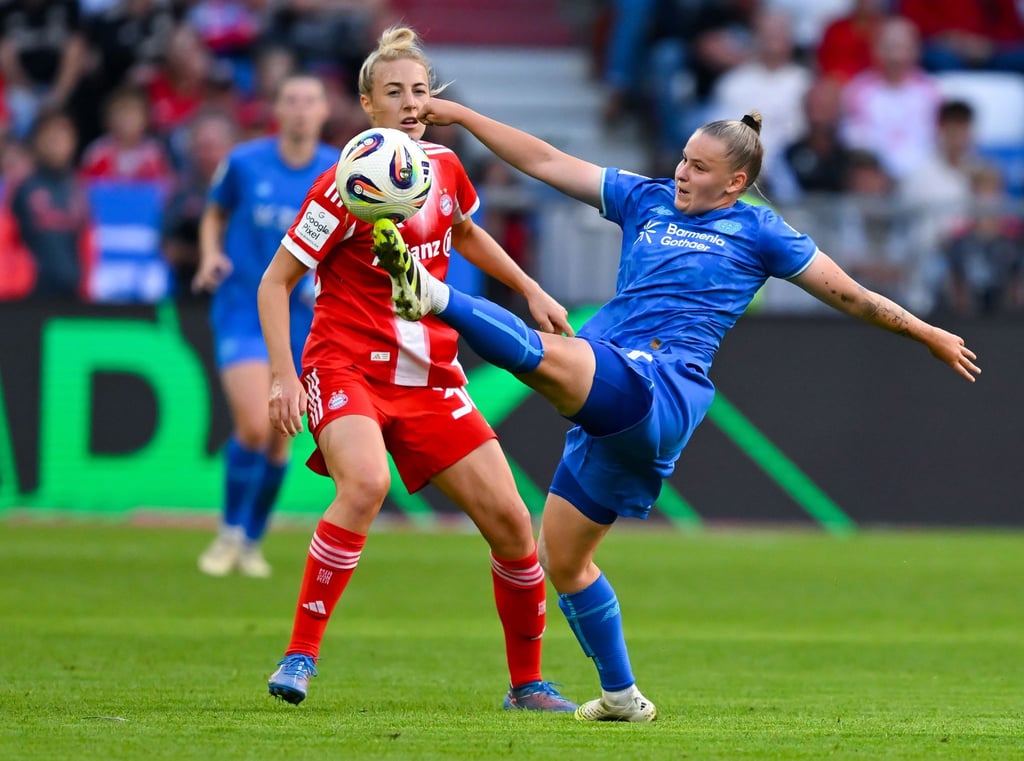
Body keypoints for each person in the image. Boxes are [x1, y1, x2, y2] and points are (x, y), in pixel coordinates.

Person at [367, 97, 982, 722]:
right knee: (563, 558)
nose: (683, 173)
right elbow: (548, 161)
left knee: (549, 358)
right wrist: (466, 117)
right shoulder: (647, 199)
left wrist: (926, 332)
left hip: (661, 385)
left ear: (735, 182)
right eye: (683, 160)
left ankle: (430, 294)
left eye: (699, 167)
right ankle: (621, 697)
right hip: (612, 395)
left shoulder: (761, 231)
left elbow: (851, 296)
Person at [257, 26, 577, 712]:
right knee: (366, 482)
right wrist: (284, 377)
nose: (410, 102)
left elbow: (463, 230)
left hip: (431, 376)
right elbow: (275, 282)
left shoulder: (444, 168)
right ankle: (301, 653)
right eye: (394, 92)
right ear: (367, 105)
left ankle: (527, 685)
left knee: (515, 525)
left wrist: (532, 288)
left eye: (421, 90)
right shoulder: (341, 186)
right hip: (344, 364)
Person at [192, 74, 335, 577]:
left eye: (309, 100)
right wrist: (210, 255)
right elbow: (214, 212)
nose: (300, 110)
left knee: (280, 438)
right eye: (291, 100)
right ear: (276, 109)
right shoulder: (245, 163)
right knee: (255, 423)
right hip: (243, 307)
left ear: (324, 111)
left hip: (308, 322)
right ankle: (229, 533)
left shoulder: (342, 170)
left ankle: (252, 539)